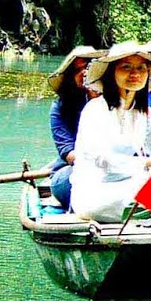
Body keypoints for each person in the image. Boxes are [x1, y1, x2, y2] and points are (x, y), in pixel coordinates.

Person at [68, 42, 151, 222]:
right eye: (126, 67)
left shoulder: (148, 115)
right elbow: (102, 160)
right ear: (111, 72)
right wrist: (147, 163)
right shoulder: (95, 110)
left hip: (131, 184)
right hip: (95, 193)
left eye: (141, 68)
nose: (135, 74)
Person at [44, 44, 102, 209]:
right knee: (84, 178)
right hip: (71, 170)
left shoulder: (116, 102)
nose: (84, 73)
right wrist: (106, 164)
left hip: (116, 170)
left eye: (89, 67)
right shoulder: (60, 108)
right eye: (78, 70)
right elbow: (69, 153)